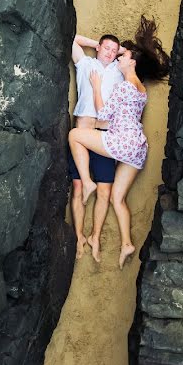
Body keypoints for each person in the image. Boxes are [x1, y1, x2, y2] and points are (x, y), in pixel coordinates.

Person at [68, 16, 170, 269]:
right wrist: (113, 49)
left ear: (127, 61)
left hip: (113, 139)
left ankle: (97, 231)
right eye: (110, 50)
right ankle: (105, 240)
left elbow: (105, 114)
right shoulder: (134, 85)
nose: (115, 55)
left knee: (103, 188)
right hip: (125, 144)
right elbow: (79, 42)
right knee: (99, 193)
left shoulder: (122, 80)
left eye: (119, 54)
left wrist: (100, 81)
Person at [69, 33, 125, 262]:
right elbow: (71, 38)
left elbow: (131, 55)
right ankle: (79, 236)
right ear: (99, 47)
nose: (110, 53)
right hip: (83, 131)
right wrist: (96, 46)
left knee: (105, 191)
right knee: (78, 187)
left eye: (114, 50)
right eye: (107, 48)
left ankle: (95, 236)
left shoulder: (118, 70)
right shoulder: (85, 63)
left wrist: (116, 53)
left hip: (104, 135)